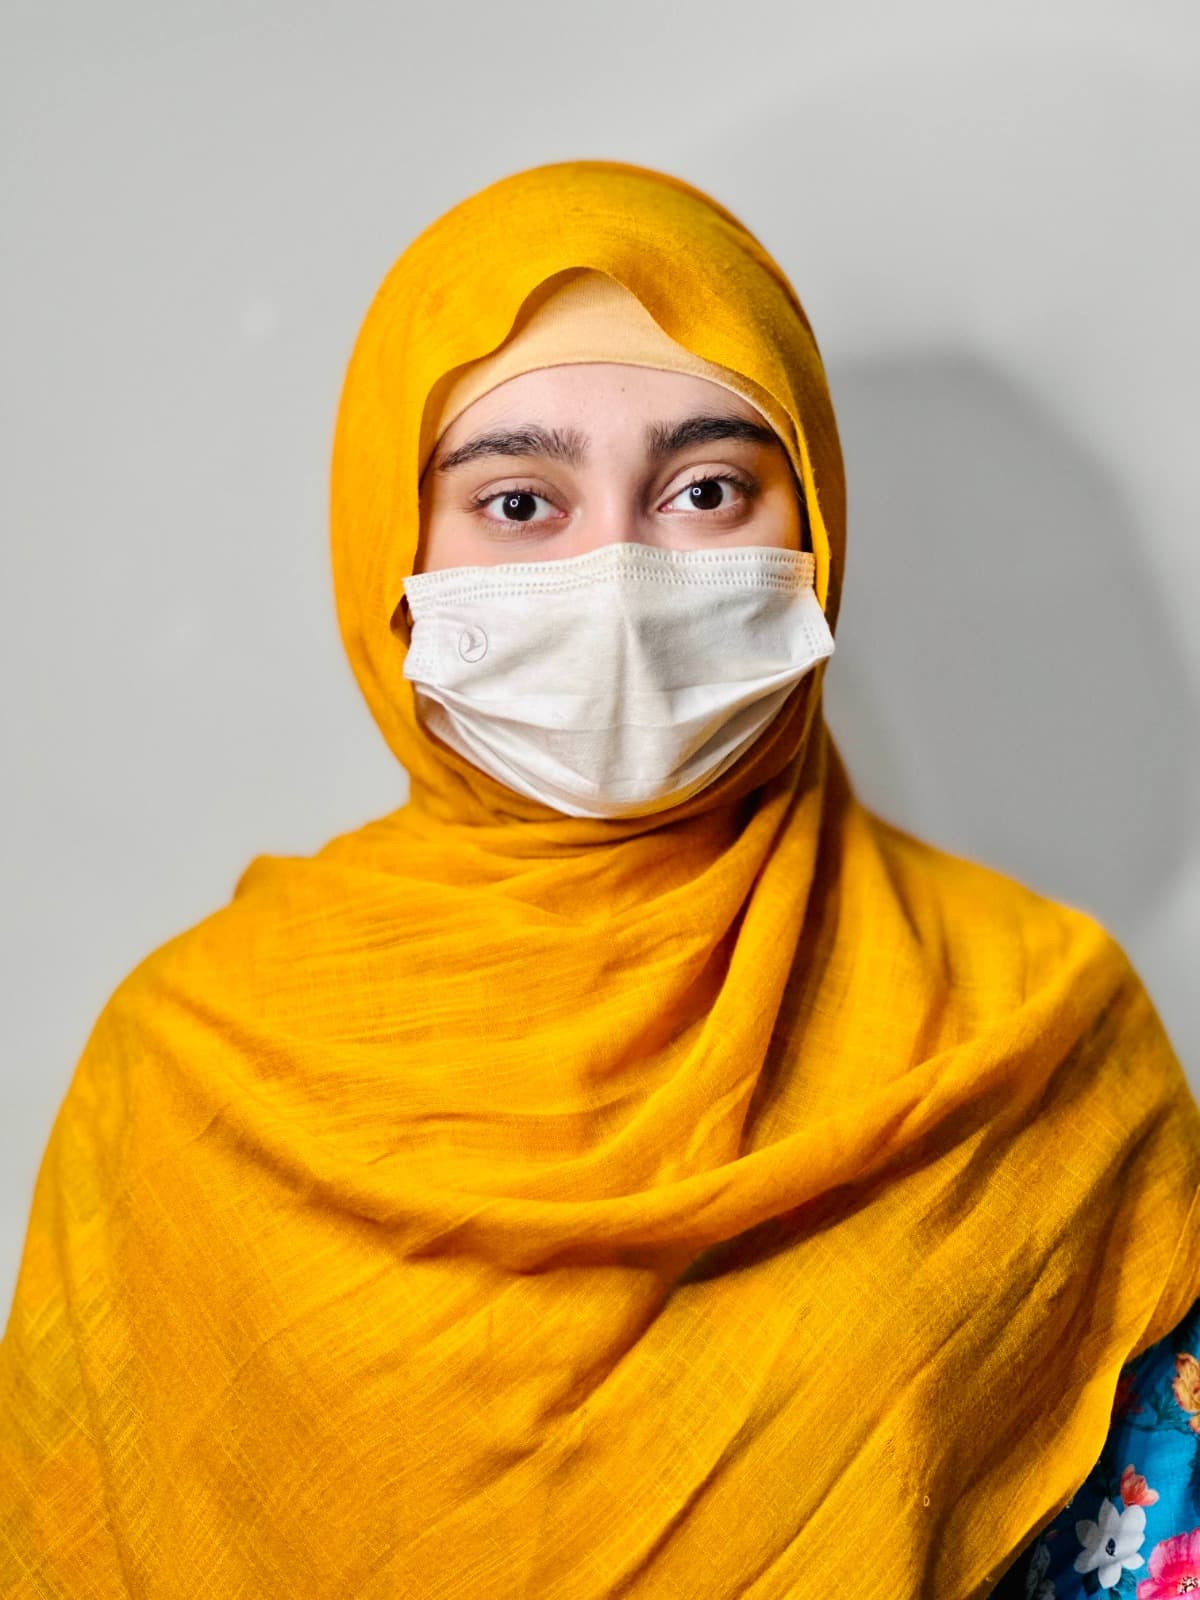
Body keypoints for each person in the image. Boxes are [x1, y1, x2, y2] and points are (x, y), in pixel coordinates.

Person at [2, 158, 1198, 1599]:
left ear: (816, 525)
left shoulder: (1039, 1026)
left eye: (707, 489)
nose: (620, 577)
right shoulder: (187, 1074)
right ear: (390, 548)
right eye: (520, 502)